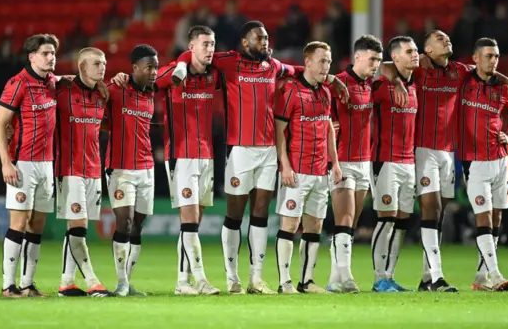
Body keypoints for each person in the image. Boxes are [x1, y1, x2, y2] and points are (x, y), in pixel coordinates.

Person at [172, 21, 349, 294]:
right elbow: (193, 55)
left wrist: (331, 77)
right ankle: (232, 279)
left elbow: (301, 70)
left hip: (268, 151)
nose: (265, 42)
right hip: (239, 150)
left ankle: (256, 278)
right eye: (259, 38)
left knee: (260, 215)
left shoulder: (274, 67)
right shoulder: (229, 62)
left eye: (266, 38)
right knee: (234, 215)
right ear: (245, 42)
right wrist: (183, 63)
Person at [413, 30, 508, 292]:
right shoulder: (421, 70)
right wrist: (414, 60)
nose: (447, 39)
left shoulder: (461, 72)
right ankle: (440, 276)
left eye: (448, 37)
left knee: (447, 213)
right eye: (439, 38)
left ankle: (434, 277)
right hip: (433, 150)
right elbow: (389, 68)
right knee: (432, 209)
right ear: (426, 50)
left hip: (452, 153)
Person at [156, 26, 221, 295]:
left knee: (193, 223)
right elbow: (152, 78)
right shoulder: (172, 74)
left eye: (213, 44)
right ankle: (201, 279)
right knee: (190, 221)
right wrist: (182, 62)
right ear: (191, 46)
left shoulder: (214, 75)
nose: (210, 49)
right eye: (205, 44)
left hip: (207, 156)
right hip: (181, 155)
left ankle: (183, 282)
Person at [0, 34, 59, 298]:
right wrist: (5, 162)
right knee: (19, 223)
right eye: (45, 53)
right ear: (31, 56)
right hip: (23, 164)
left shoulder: (54, 83)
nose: (51, 57)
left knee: (37, 225)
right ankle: (8, 286)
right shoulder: (18, 83)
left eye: (53, 53)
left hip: (47, 165)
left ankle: (28, 284)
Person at [273, 41, 341, 294]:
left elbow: (327, 128)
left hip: (320, 171)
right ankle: (284, 282)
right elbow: (279, 132)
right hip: (297, 172)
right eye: (323, 61)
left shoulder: (325, 92)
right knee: (289, 225)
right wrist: (286, 166)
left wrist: (334, 162)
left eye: (329, 62)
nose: (327, 66)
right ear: (309, 62)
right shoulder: (290, 90)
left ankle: (307, 281)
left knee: (315, 227)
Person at [458, 38, 508, 292]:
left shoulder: (503, 88)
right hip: (474, 161)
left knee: (496, 217)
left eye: (496, 56)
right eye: (488, 56)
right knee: (483, 217)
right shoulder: (463, 81)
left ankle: (481, 276)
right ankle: (495, 275)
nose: (493, 60)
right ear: (475, 58)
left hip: (499, 159)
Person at [325, 35, 384, 293]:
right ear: (357, 57)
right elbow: (322, 119)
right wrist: (332, 160)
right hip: (341, 160)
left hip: (364, 162)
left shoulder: (371, 85)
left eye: (379, 61)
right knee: (345, 218)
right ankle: (346, 276)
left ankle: (334, 279)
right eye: (372, 59)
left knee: (350, 223)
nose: (376, 65)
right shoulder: (337, 84)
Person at [55, 47, 113, 297]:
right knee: (77, 226)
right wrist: (59, 77)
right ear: (81, 67)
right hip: (69, 169)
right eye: (97, 63)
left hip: (93, 169)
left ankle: (66, 282)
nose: (102, 67)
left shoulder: (103, 95)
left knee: (79, 228)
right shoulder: (62, 90)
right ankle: (93, 282)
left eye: (104, 63)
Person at [105, 45, 158, 297]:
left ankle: (128, 282)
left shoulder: (151, 94)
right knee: (123, 223)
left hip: (146, 169)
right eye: (149, 67)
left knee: (137, 225)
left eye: (156, 67)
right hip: (120, 169)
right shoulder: (115, 89)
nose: (154, 72)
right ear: (134, 68)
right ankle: (120, 283)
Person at [370, 36, 419, 293]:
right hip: (385, 160)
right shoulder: (381, 86)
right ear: (395, 57)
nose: (415, 55)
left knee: (401, 221)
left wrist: (400, 80)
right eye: (409, 51)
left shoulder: (415, 85)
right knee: (386, 218)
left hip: (409, 162)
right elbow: (381, 68)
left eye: (416, 50)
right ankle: (379, 278)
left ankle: (390, 275)